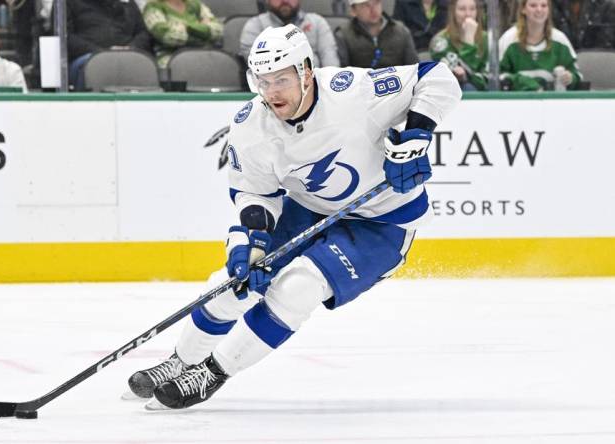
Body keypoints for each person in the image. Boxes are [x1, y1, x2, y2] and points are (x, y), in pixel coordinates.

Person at [125, 23, 462, 410]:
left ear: (305, 70)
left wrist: (418, 135)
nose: (271, 92)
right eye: (262, 81)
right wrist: (252, 242)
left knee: (297, 289)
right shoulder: (251, 124)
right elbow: (254, 191)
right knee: (234, 282)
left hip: (382, 222)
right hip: (308, 208)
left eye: (281, 79)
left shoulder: (352, 92)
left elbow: (437, 76)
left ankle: (211, 373)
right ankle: (179, 361)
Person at [65, 0, 152, 90]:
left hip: (129, 54)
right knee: (98, 63)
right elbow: (65, 37)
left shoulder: (128, 3)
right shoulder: (67, 3)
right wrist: (102, 53)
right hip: (87, 56)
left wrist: (130, 48)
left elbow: (143, 33)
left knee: (144, 62)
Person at [499, 0, 581, 91]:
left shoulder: (560, 39)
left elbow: (578, 75)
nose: (539, 10)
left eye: (544, 6)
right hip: (516, 103)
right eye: (533, 6)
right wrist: (524, 83)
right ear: (523, 9)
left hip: (553, 102)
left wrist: (570, 78)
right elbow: (496, 76)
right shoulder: (509, 39)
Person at [240, 0, 340, 68]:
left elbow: (330, 59)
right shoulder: (255, 26)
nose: (285, 1)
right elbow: (258, 65)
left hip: (315, 85)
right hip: (271, 87)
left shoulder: (317, 22)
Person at [335, 0, 419, 68]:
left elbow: (414, 67)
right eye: (365, 5)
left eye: (376, 3)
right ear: (353, 10)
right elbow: (342, 73)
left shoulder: (401, 31)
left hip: (399, 84)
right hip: (360, 86)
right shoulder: (343, 35)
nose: (373, 9)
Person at [142, 0, 223, 68]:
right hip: (171, 56)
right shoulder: (152, 6)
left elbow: (218, 30)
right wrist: (202, 29)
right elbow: (167, 36)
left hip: (203, 52)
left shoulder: (195, 4)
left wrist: (185, 27)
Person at [429, 0, 488, 90]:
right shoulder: (440, 41)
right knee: (468, 87)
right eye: (462, 9)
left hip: (484, 92)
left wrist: (472, 77)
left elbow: (488, 77)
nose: (468, 14)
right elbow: (458, 74)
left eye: (472, 9)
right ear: (453, 12)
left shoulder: (485, 38)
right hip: (452, 90)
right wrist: (469, 40)